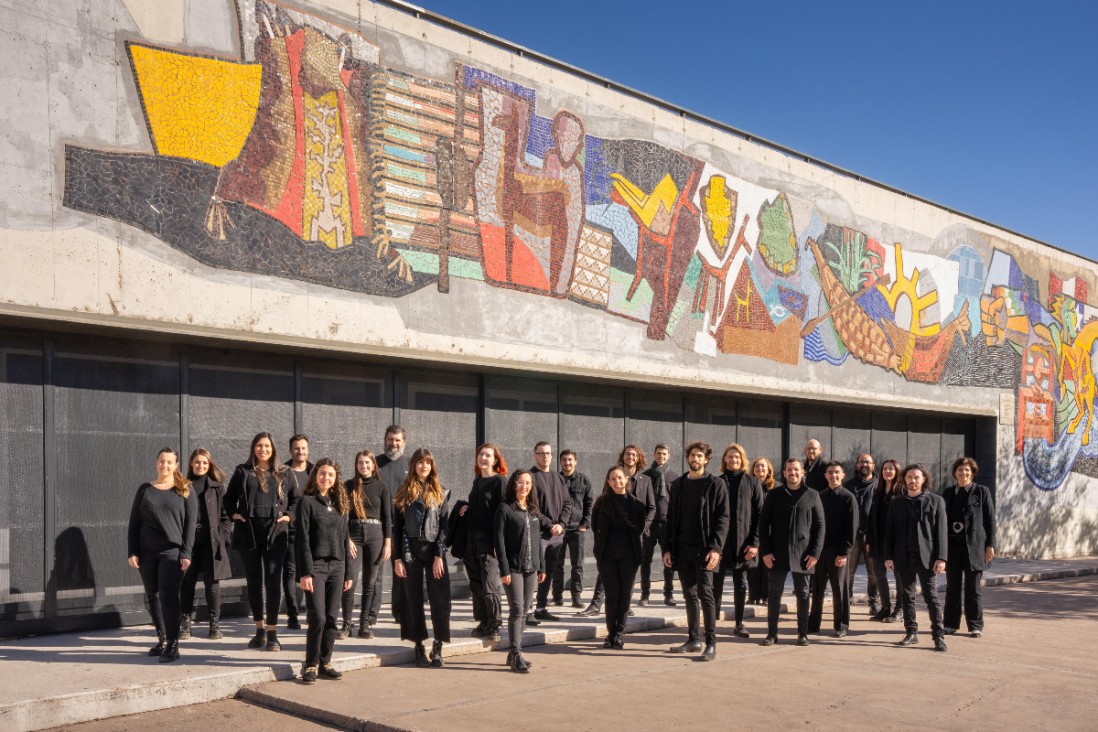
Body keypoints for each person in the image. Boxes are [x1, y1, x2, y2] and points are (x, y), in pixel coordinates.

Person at [226, 432, 297, 651]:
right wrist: (234, 515)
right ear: (253, 448)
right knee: (254, 582)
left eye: (266, 445)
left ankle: (273, 632)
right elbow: (228, 498)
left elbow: (296, 499)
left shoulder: (284, 472)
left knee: (273, 583)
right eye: (259, 445)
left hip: (275, 533)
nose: (262, 449)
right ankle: (259, 630)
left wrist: (288, 516)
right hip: (249, 534)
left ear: (273, 448)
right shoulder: (243, 471)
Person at [126, 447, 198, 663]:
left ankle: (174, 644)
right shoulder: (145, 489)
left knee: (168, 596)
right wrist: (133, 551)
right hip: (147, 552)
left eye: (169, 462)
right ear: (156, 462)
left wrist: (186, 552)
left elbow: (190, 525)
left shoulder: (185, 489)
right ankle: (163, 639)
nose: (164, 465)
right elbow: (134, 524)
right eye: (161, 461)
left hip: (172, 552)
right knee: (153, 595)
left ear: (175, 465)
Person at [662, 441, 729, 661]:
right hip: (682, 549)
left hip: (705, 550)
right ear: (687, 457)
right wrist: (668, 548)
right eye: (692, 455)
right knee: (690, 595)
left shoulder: (715, 484)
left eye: (700, 456)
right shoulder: (679, 484)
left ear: (706, 459)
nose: (695, 459)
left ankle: (711, 643)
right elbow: (670, 519)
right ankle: (693, 640)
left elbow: (723, 519)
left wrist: (716, 548)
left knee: (706, 595)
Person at [579, 445, 655, 617]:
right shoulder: (614, 476)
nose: (630, 457)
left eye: (633, 455)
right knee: (606, 571)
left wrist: (643, 528)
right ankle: (596, 603)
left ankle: (625, 605)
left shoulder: (645, 480)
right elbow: (602, 506)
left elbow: (651, 507)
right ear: (623, 457)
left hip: (633, 536)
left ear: (638, 458)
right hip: (612, 536)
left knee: (628, 573)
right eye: (627, 454)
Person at [393, 448, 452, 667]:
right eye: (419, 462)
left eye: (427, 462)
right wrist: (397, 559)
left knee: (440, 600)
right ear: (413, 466)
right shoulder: (403, 492)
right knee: (412, 599)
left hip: (434, 550)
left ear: (432, 466)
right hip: (410, 550)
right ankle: (418, 643)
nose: (423, 466)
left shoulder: (441, 492)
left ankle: (438, 646)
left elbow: (445, 528)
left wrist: (439, 554)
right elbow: (397, 527)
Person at [296, 458, 353, 684]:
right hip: (316, 567)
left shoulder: (341, 503)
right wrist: (305, 572)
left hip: (337, 567)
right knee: (317, 617)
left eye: (330, 474)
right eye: (322, 473)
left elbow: (344, 538)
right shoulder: (307, 502)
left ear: (335, 478)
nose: (326, 477)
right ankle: (310, 664)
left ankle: (325, 662)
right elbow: (302, 540)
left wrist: (348, 572)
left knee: (331, 617)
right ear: (315, 475)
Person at [758, 458, 824, 647]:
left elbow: (820, 527)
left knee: (803, 594)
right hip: (776, 553)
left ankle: (802, 634)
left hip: (804, 554)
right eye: (789, 470)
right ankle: (772, 633)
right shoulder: (774, 494)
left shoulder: (812, 495)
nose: (792, 473)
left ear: (803, 472)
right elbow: (763, 525)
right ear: (784, 472)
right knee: (774, 594)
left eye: (796, 470)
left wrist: (815, 553)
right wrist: (766, 551)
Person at [884, 463, 949, 652]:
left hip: (927, 558)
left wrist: (941, 558)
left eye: (916, 477)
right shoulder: (897, 503)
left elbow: (941, 532)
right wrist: (888, 556)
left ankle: (939, 636)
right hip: (903, 557)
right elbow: (890, 532)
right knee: (907, 596)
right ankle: (911, 633)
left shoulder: (936, 501)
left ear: (924, 479)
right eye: (909, 477)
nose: (913, 481)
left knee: (931, 597)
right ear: (904, 479)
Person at [591, 466, 649, 650]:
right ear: (608, 482)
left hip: (629, 556)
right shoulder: (601, 503)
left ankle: (619, 634)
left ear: (627, 479)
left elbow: (639, 529)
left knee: (625, 595)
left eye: (620, 478)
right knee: (612, 594)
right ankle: (610, 633)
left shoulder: (637, 505)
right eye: (613, 479)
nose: (617, 482)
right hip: (606, 556)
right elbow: (595, 527)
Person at [495, 469, 546, 673]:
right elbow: (499, 542)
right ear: (513, 484)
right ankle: (516, 653)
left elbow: (538, 541)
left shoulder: (533, 510)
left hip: (531, 568)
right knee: (517, 610)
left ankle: (513, 652)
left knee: (524, 611)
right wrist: (504, 569)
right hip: (513, 568)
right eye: (520, 482)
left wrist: (541, 565)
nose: (524, 487)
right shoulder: (505, 509)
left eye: (527, 483)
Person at [179, 448, 232, 641]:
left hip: (211, 541)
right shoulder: (183, 486)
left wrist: (223, 535)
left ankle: (214, 624)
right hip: (190, 541)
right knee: (187, 583)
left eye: (204, 463)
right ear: (191, 464)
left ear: (209, 465)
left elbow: (225, 516)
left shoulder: (217, 487)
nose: (200, 466)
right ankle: (185, 622)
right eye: (197, 462)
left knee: (212, 584)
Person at [943, 457, 996, 638]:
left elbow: (990, 520)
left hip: (974, 547)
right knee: (952, 587)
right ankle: (950, 624)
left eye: (967, 470)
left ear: (972, 473)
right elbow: (941, 522)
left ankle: (975, 625)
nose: (963, 473)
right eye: (960, 470)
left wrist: (990, 545)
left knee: (973, 589)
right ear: (955, 472)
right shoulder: (948, 493)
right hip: (952, 547)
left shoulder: (982, 492)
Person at [714, 443, 763, 638]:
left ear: (742, 460)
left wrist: (755, 543)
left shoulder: (752, 482)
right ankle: (712, 624)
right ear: (724, 459)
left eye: (737, 457)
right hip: (720, 544)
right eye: (730, 457)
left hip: (744, 543)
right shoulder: (716, 482)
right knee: (714, 584)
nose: (733, 460)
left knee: (741, 584)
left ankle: (739, 623)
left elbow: (760, 514)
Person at [343, 450, 392, 640]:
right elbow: (341, 516)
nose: (364, 466)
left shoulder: (382, 487)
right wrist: (346, 539)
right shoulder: (349, 486)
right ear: (356, 465)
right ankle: (346, 624)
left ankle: (364, 624)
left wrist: (388, 543)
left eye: (367, 463)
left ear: (373, 465)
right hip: (353, 533)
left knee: (370, 582)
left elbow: (388, 517)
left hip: (375, 534)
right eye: (360, 463)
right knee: (350, 580)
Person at [462, 443, 507, 642]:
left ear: (495, 460)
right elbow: (479, 507)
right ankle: (483, 621)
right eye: (481, 454)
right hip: (472, 542)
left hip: (490, 543)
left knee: (490, 585)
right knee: (476, 585)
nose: (483, 458)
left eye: (488, 455)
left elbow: (503, 514)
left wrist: (500, 544)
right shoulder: (477, 481)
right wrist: (466, 508)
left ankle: (495, 623)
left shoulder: (500, 482)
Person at [807, 461, 858, 637]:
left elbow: (852, 528)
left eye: (837, 472)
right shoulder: (819, 496)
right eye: (830, 472)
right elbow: (813, 525)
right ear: (825, 475)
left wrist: (845, 552)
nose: (833, 475)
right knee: (817, 589)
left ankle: (841, 625)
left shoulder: (848, 498)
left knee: (839, 590)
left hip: (839, 552)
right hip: (820, 552)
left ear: (843, 475)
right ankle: (813, 624)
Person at [530, 441, 571, 624]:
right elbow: (532, 508)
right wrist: (550, 525)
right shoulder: (530, 477)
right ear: (534, 455)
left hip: (557, 535)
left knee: (548, 571)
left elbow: (567, 504)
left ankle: (541, 608)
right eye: (541, 453)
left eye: (548, 453)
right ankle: (528, 610)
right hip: (539, 533)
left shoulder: (558, 477)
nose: (545, 456)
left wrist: (561, 524)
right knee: (534, 571)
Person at [377, 425, 410, 624]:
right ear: (385, 440)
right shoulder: (375, 463)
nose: (394, 443)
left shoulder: (410, 463)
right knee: (375, 573)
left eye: (398, 440)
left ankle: (400, 612)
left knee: (401, 571)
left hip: (402, 527)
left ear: (403, 442)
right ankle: (369, 617)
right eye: (390, 439)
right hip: (378, 526)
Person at [640, 444, 679, 607]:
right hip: (649, 525)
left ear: (668, 456)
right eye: (658, 453)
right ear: (654, 455)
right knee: (645, 561)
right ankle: (645, 594)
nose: (661, 456)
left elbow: (677, 503)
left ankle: (668, 594)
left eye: (664, 454)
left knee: (668, 561)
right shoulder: (645, 476)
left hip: (667, 525)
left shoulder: (674, 477)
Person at [554, 449, 593, 608]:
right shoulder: (555, 479)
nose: (567, 463)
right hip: (559, 529)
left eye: (570, 460)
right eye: (564, 460)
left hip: (577, 529)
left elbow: (589, 504)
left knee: (577, 565)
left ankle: (576, 597)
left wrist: (585, 523)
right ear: (560, 461)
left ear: (575, 461)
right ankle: (557, 597)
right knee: (557, 565)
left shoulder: (584, 480)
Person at [867, 458, 904, 622]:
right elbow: (871, 517)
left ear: (897, 472)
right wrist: (869, 539)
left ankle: (900, 609)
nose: (887, 471)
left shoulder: (901, 492)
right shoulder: (878, 491)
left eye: (891, 469)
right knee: (879, 575)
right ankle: (885, 607)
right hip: (877, 540)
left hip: (896, 543)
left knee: (899, 576)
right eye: (885, 469)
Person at [844, 453, 880, 617]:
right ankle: (846, 603)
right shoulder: (848, 485)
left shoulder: (880, 485)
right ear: (856, 465)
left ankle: (874, 603)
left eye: (867, 462)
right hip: (852, 536)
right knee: (848, 572)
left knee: (873, 573)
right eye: (861, 462)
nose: (864, 464)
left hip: (873, 535)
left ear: (873, 465)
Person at [283, 435, 312, 630]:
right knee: (290, 573)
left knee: (311, 572)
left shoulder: (315, 471)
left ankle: (312, 613)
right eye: (296, 448)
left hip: (311, 531)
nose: (300, 451)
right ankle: (292, 615)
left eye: (303, 448)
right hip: (291, 531)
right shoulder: (283, 472)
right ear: (290, 450)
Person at [748, 456, 776, 604]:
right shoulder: (748, 485)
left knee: (767, 566)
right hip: (752, 531)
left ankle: (765, 596)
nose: (760, 469)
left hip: (770, 533)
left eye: (763, 467)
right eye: (757, 466)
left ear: (768, 470)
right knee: (752, 566)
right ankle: (753, 595)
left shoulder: (776, 487)